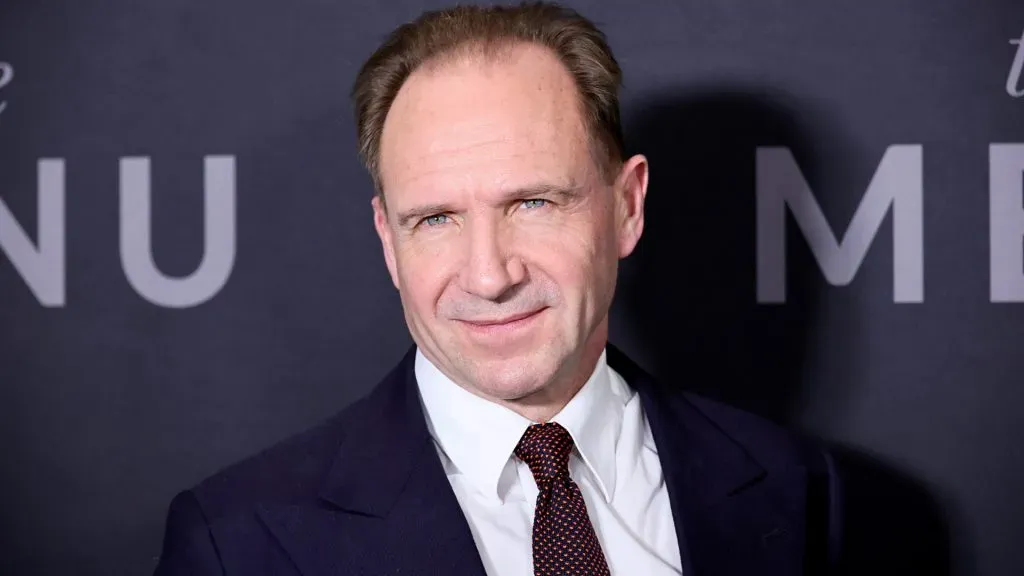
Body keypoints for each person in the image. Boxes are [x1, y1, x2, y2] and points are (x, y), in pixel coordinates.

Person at [154, 2, 842, 574]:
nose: (489, 275)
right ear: (389, 242)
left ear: (628, 205)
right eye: (436, 218)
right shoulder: (239, 543)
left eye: (533, 203)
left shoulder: (795, 489)